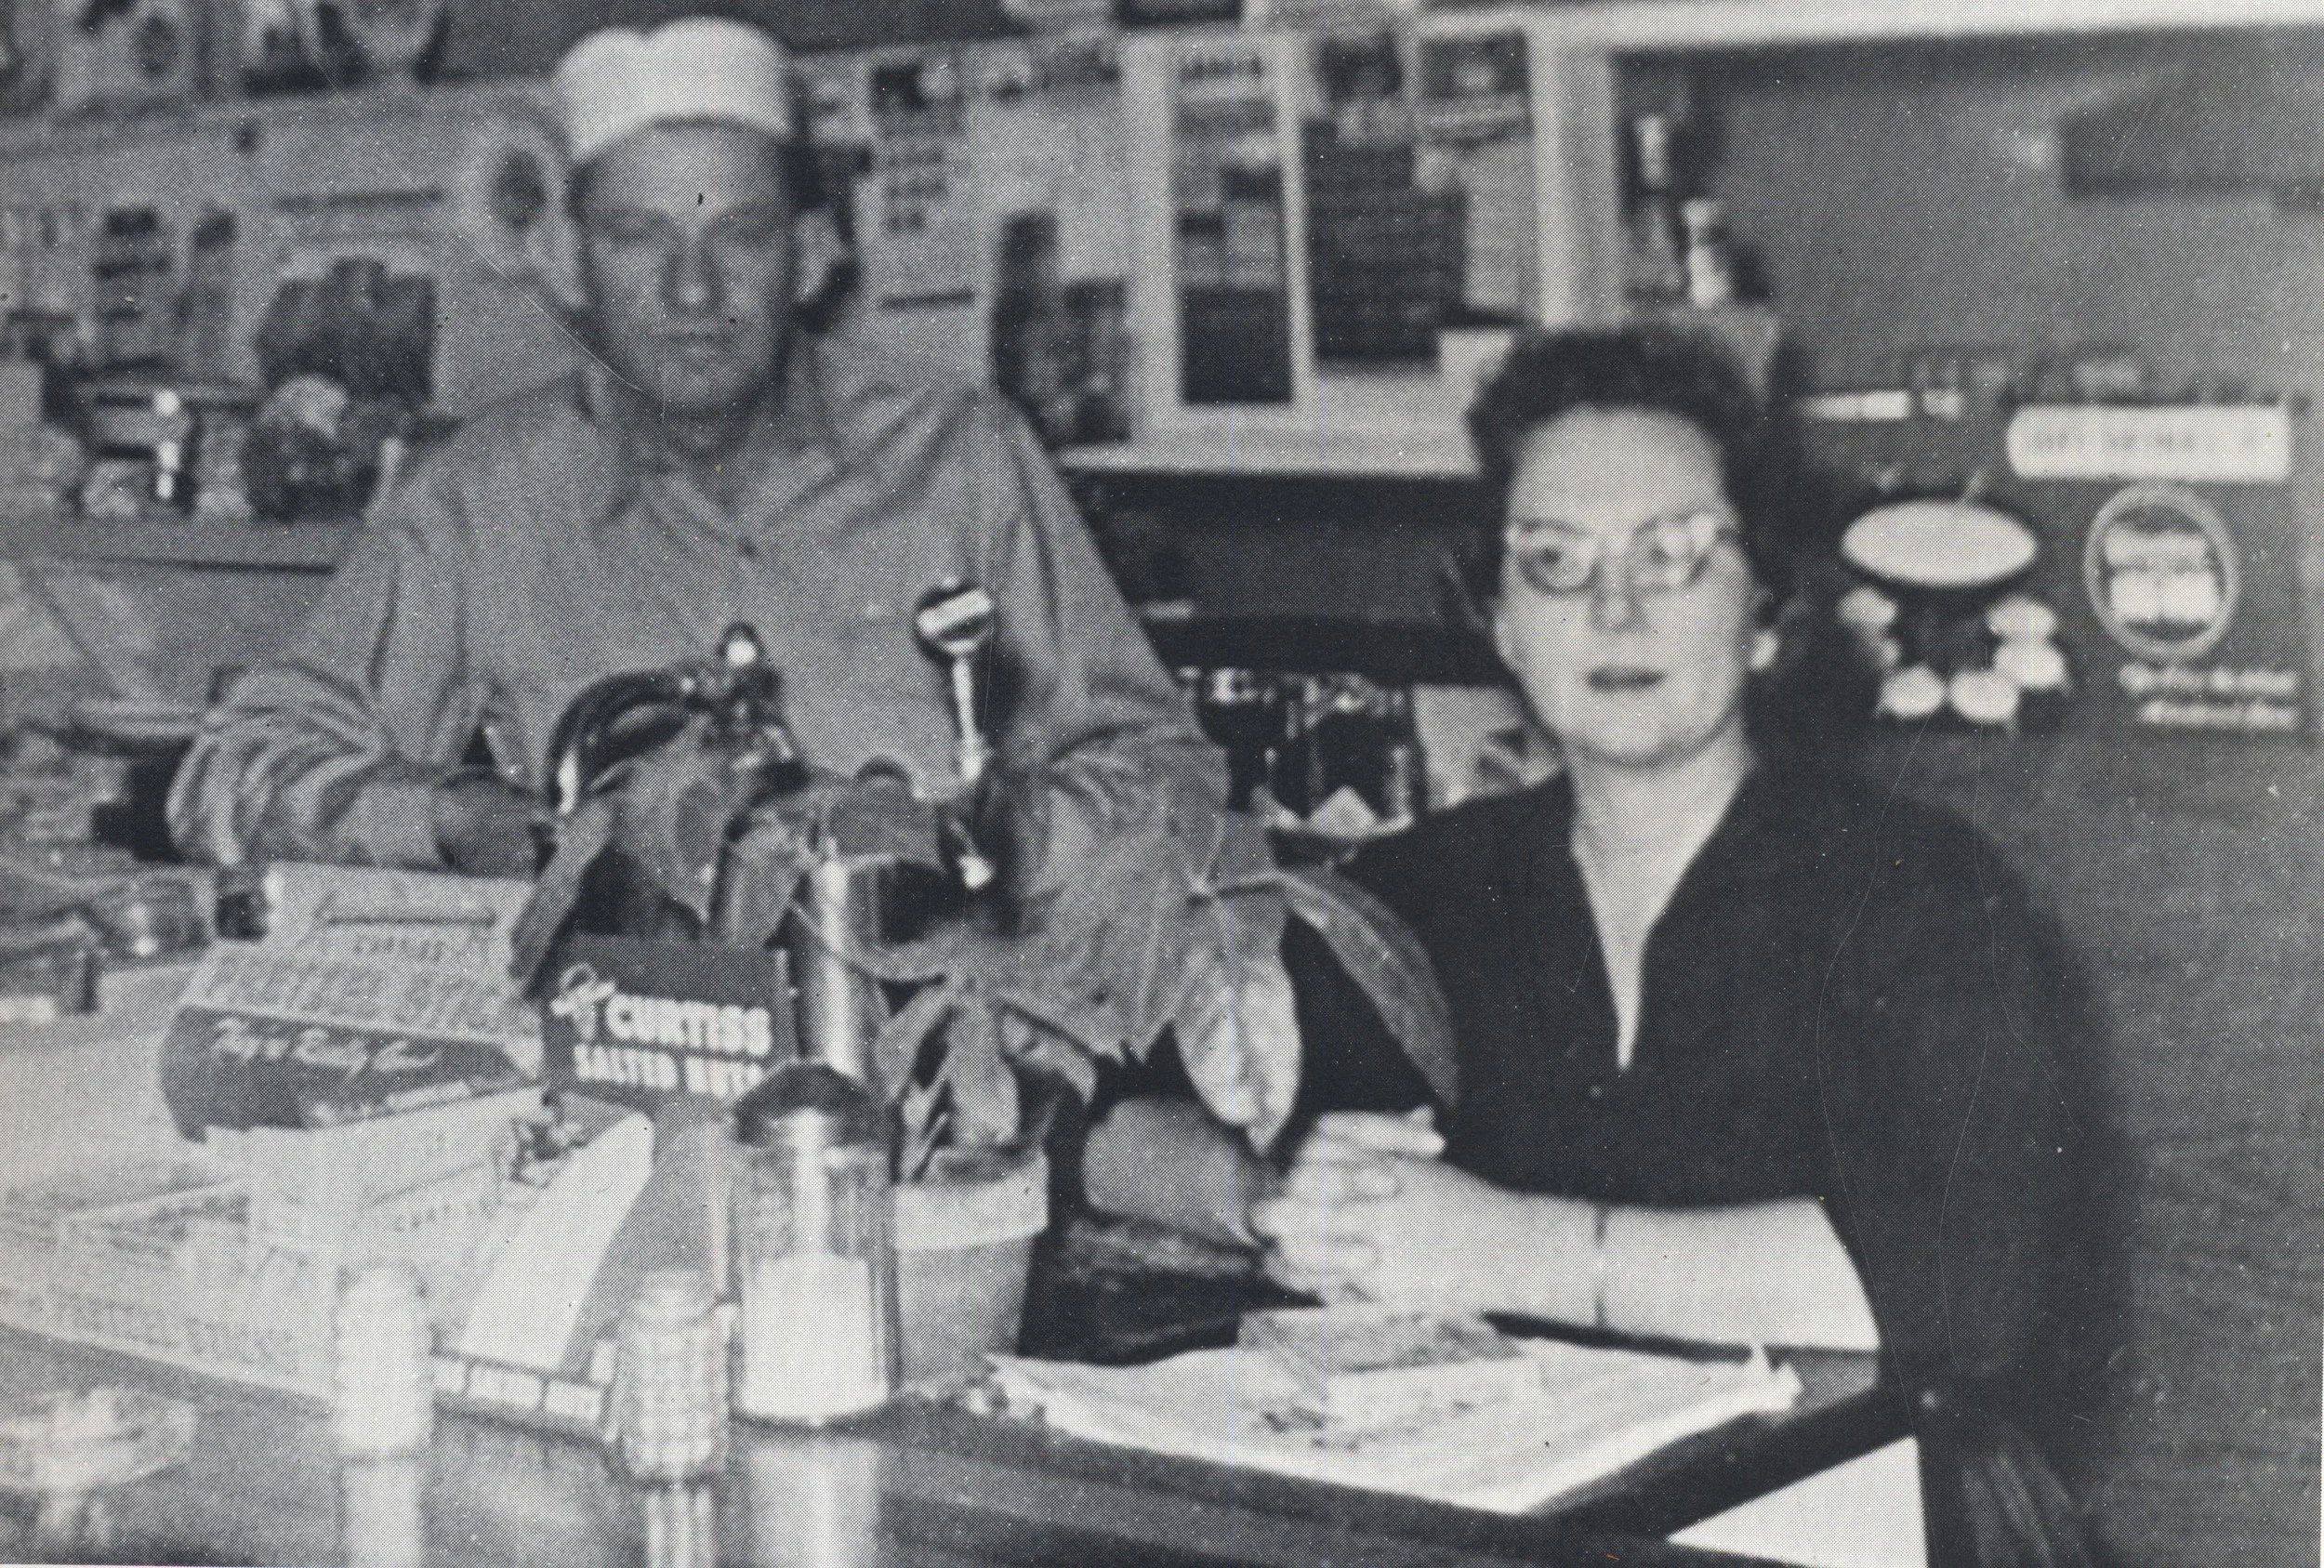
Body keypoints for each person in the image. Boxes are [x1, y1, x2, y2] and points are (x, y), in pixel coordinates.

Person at [167, 17, 1296, 1138]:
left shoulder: (958, 458)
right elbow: (230, 776)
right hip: (617, 1125)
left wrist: (979, 844)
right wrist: (460, 822)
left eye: (740, 233)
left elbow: (1169, 781)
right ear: (567, 259)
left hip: (959, 1123)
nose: (693, 289)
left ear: (811, 252)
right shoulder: (484, 496)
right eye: (637, 236)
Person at [1087, 326, 2106, 1531]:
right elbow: (1094, 1114)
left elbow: (1965, 1285)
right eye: (1555, 561)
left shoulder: (1923, 894)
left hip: (1877, 1515)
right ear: (1504, 623)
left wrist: (1505, 1248)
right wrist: (1270, 1200)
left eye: (1673, 555)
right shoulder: (1430, 889)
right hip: (1538, 1515)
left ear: (1768, 609)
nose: (1615, 608)